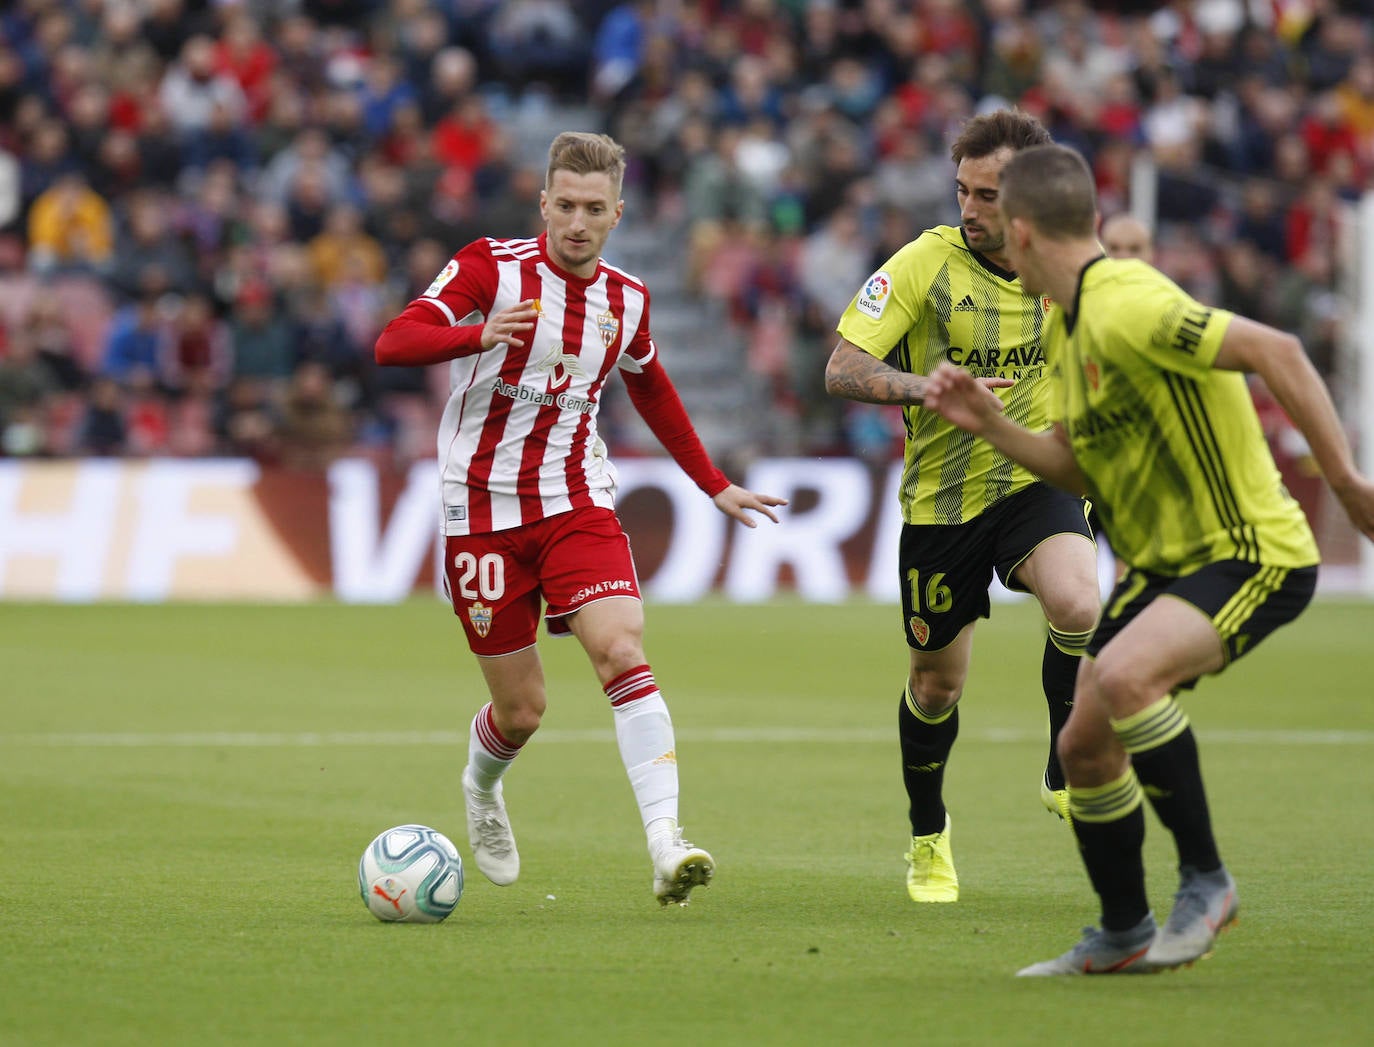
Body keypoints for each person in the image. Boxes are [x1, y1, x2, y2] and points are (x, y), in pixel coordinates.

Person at [923, 143, 1374, 974]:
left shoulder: (1126, 302)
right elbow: (1077, 465)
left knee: (1127, 678)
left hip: (1249, 551)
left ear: (1020, 234)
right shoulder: (1072, 328)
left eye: (991, 215)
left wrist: (1345, 483)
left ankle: (1207, 881)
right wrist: (990, 425)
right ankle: (1124, 930)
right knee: (1084, 745)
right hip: (1169, 566)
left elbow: (1278, 351)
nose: (978, 226)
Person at [374, 131, 786, 907]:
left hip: (575, 501)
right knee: (522, 709)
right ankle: (481, 785)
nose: (576, 221)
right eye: (563, 205)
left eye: (593, 208)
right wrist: (477, 334)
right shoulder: (490, 268)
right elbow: (394, 342)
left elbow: (653, 387)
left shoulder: (627, 298)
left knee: (620, 645)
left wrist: (713, 483)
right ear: (543, 204)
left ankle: (667, 842)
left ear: (617, 214)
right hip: (482, 512)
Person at [823, 109, 1102, 904]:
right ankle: (928, 836)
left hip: (1033, 478)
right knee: (938, 684)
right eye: (963, 191)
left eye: (988, 195)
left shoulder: (1067, 263)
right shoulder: (923, 263)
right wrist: (930, 389)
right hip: (943, 504)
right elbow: (843, 367)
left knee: (1081, 601)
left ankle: (1063, 761)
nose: (970, 209)